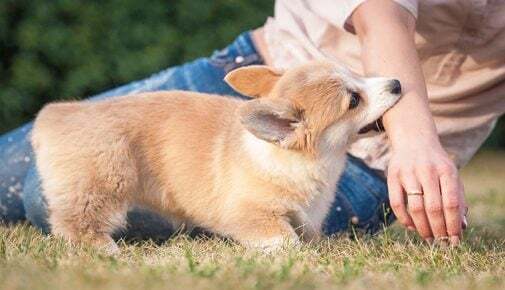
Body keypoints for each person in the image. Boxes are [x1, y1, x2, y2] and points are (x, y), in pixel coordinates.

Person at [1, 0, 504, 245]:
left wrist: (407, 142)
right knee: (44, 168)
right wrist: (414, 137)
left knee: (40, 198)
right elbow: (381, 12)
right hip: (255, 74)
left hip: (363, 158)